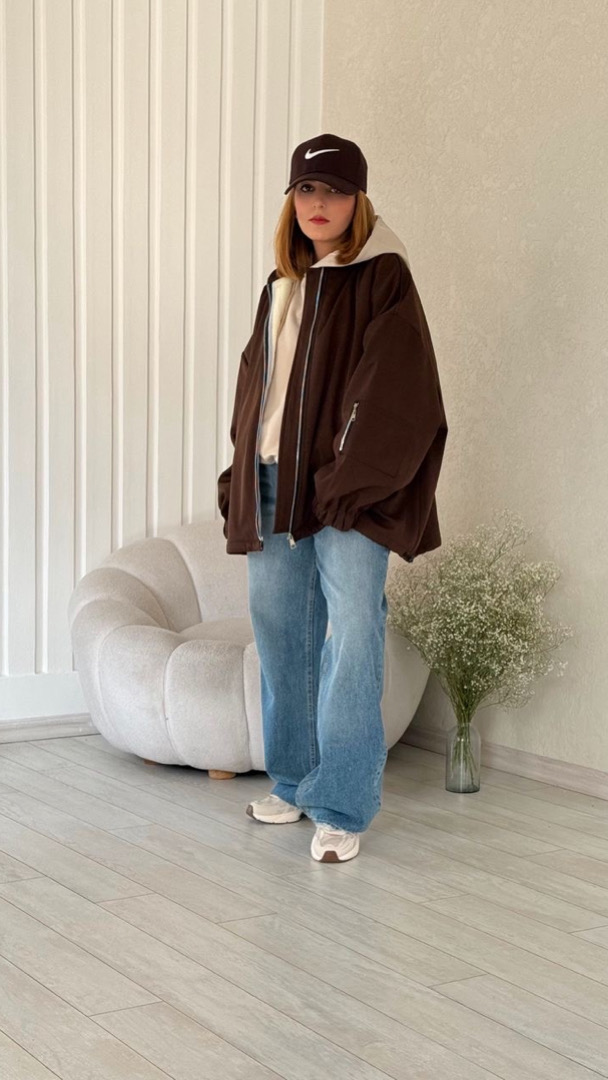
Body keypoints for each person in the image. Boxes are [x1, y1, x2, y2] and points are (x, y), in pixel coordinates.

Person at [217, 132, 448, 863]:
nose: (321, 203)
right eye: (308, 190)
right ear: (292, 199)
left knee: (352, 631)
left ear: (359, 200)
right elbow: (256, 390)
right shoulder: (280, 285)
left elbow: (400, 389)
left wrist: (351, 478)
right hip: (271, 482)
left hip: (348, 488)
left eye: (337, 191)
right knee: (282, 633)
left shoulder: (383, 277)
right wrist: (238, 476)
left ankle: (342, 803)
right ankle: (293, 781)